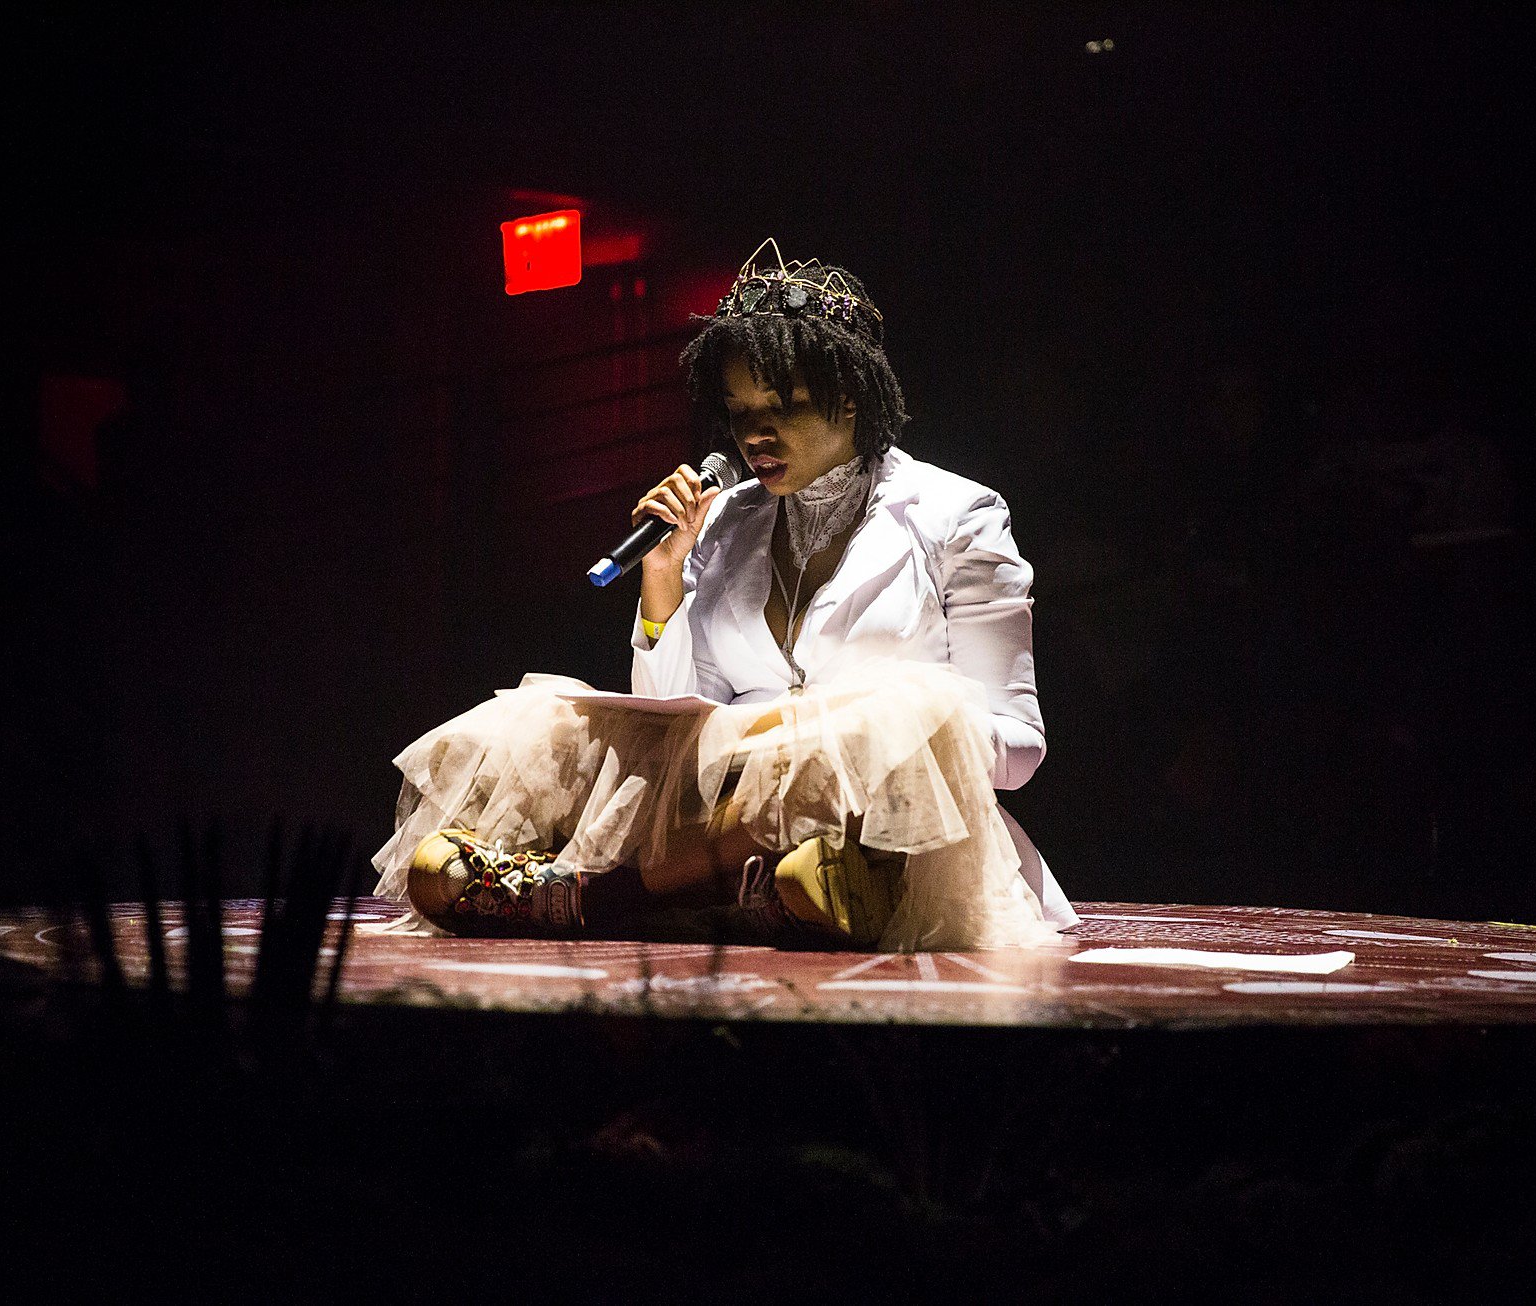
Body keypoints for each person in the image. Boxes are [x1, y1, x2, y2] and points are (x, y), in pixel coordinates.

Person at [371, 243, 1074, 950]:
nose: (752, 434)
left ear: (853, 394)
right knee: (547, 720)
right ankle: (685, 886)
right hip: (722, 816)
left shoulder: (958, 515)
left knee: (888, 721)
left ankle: (595, 892)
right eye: (738, 411)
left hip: (891, 828)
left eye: (783, 406)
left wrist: (853, 735)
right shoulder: (726, 520)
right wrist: (663, 576)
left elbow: (1020, 751)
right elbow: (677, 724)